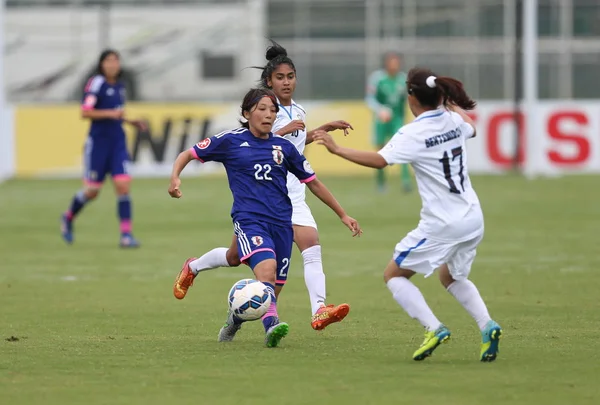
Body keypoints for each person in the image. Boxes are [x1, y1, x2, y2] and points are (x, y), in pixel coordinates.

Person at [314, 68, 502, 362]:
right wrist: (449, 103)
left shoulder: (414, 133)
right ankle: (487, 325)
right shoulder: (453, 120)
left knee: (393, 275)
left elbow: (379, 160)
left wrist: (337, 149)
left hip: (443, 223)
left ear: (412, 98)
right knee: (450, 276)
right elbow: (471, 127)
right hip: (473, 217)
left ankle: (434, 328)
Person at [173, 41, 355, 332]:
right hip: (259, 201)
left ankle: (314, 310)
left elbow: (288, 149)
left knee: (285, 258)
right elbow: (266, 142)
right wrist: (281, 131)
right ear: (269, 82)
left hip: (290, 195)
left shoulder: (298, 110)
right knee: (258, 267)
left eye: (291, 77)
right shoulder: (263, 112)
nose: (287, 82)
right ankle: (198, 270)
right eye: (280, 78)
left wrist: (316, 132)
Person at [60, 49, 146, 248]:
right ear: (101, 64)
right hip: (98, 144)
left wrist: (130, 121)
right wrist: (110, 114)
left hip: (117, 143)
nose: (113, 65)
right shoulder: (96, 83)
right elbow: (85, 111)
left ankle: (126, 236)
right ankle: (68, 216)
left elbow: (116, 114)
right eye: (108, 61)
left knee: (123, 185)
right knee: (92, 191)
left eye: (116, 61)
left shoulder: (120, 86)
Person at [366, 52, 412, 193]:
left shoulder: (403, 79)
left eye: (396, 62)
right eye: (391, 62)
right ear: (386, 63)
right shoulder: (377, 78)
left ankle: (406, 181)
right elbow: (370, 99)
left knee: (402, 148)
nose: (394, 65)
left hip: (397, 119)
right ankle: (381, 183)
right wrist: (380, 110)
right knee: (380, 151)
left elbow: (409, 100)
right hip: (381, 119)